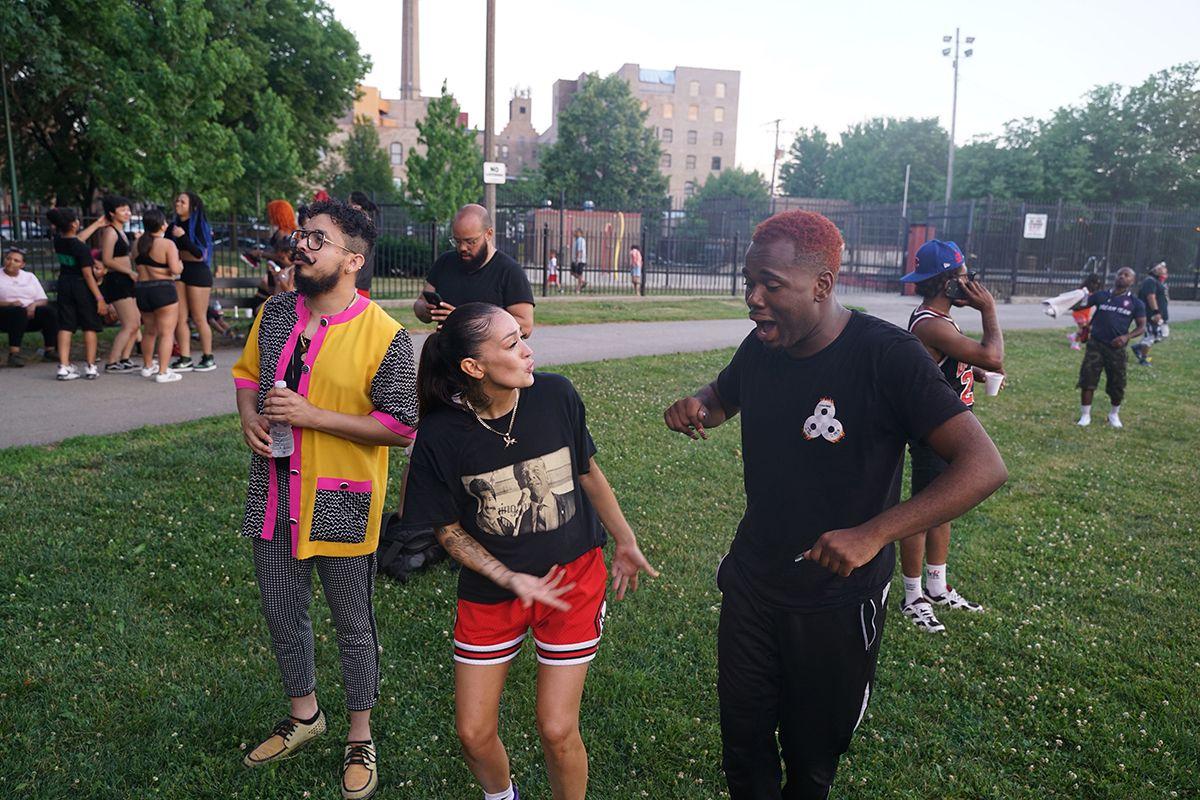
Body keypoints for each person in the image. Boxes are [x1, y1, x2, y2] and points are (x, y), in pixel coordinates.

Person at [663, 210, 1007, 800]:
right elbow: (722, 398)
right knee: (743, 750)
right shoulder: (764, 345)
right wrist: (695, 405)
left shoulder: (887, 356)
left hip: (837, 602)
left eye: (772, 285)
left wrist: (874, 532)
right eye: (749, 282)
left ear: (822, 286)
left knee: (811, 759)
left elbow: (984, 466)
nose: (753, 299)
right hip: (752, 583)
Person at [402, 302, 657, 800]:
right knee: (473, 734)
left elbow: (587, 473)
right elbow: (447, 530)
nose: (528, 351)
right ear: (474, 368)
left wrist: (625, 541)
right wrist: (508, 577)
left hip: (573, 581)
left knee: (557, 729)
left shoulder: (555, 395)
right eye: (512, 343)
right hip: (491, 592)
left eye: (523, 337)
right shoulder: (440, 434)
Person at [233, 199, 417, 800]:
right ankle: (305, 715)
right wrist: (247, 419)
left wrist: (314, 416)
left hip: (341, 499)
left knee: (351, 625)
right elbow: (245, 374)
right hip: (273, 494)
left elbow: (400, 427)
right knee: (283, 610)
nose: (302, 245)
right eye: (302, 235)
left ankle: (359, 735)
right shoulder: (278, 311)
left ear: (353, 260)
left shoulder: (386, 336)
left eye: (317, 238)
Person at [895, 240, 1005, 633]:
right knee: (921, 513)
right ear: (947, 284)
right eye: (963, 277)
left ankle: (937, 588)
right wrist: (989, 309)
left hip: (951, 426)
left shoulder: (938, 321)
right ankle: (912, 597)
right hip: (935, 432)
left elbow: (938, 365)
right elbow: (994, 355)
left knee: (944, 508)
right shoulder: (930, 322)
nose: (970, 283)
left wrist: (969, 373)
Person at [414, 204, 535, 338]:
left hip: (489, 357)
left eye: (470, 241)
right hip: (446, 353)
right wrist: (426, 310)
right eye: (457, 241)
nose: (463, 248)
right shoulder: (445, 263)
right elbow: (420, 303)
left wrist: (466, 322)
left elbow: (525, 326)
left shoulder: (510, 271)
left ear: (488, 234)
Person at [1075, 267, 1146, 428]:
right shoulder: (1101, 296)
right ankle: (1085, 415)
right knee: (1088, 379)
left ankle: (1114, 414)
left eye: (1126, 275)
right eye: (1120, 273)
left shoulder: (1135, 303)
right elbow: (1079, 306)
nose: (1122, 276)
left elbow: (1142, 327)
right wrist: (1079, 295)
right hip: (1096, 345)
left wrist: (1126, 337)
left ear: (1132, 281)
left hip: (1116, 348)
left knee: (1117, 383)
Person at [47, 207, 107, 380]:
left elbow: (77, 238)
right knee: (89, 326)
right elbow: (88, 274)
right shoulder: (82, 249)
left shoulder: (58, 240)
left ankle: (64, 366)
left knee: (66, 325)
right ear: (74, 224)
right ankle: (90, 366)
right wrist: (99, 298)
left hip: (64, 284)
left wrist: (96, 224)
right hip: (81, 287)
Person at [133, 208, 185, 382]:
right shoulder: (167, 244)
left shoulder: (137, 244)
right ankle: (163, 372)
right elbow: (175, 270)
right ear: (162, 225)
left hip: (142, 290)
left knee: (149, 331)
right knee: (166, 333)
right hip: (163, 291)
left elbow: (138, 268)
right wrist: (179, 265)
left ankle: (147, 366)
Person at [169, 191, 217, 372]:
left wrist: (182, 236)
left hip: (198, 272)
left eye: (182, 201)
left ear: (192, 206)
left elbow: (199, 253)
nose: (178, 203)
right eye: (177, 200)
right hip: (180, 271)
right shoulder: (174, 225)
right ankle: (185, 357)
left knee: (198, 317)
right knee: (180, 318)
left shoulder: (199, 225)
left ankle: (208, 356)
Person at [97, 195, 141, 374]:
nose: (127, 213)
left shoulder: (121, 231)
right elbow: (107, 259)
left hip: (126, 280)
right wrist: (129, 271)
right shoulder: (110, 231)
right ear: (112, 213)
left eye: (128, 209)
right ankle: (112, 361)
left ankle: (125, 358)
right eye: (122, 209)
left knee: (136, 322)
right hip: (117, 281)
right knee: (129, 324)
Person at [0, 246, 59, 367]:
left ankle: (49, 350)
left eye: (16, 260)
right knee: (18, 312)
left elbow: (42, 298)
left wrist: (34, 305)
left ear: (22, 264)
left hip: (29, 314)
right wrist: (10, 303)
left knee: (48, 312)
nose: (11, 262)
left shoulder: (29, 277)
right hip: (5, 314)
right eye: (8, 259)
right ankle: (14, 354)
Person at [1132, 262, 1168, 366]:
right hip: (1151, 315)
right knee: (1151, 336)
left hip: (1159, 315)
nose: (1164, 269)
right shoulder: (1150, 281)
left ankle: (1139, 347)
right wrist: (1156, 312)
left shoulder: (1158, 282)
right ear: (1155, 270)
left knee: (1164, 333)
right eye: (1161, 267)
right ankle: (1143, 359)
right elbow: (1150, 296)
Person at [347, 191, 378, 298]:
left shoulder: (360, 223)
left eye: (349, 203)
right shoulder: (367, 221)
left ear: (357, 206)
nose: (348, 207)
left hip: (357, 279)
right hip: (362, 279)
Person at [1067, 274, 1104, 350]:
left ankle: (1073, 336)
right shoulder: (1084, 291)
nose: (1096, 286)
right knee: (1083, 330)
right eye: (1095, 283)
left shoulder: (1093, 293)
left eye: (1097, 284)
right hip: (1079, 313)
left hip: (1086, 314)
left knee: (1088, 328)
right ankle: (1075, 343)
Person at [569, 228, 587, 292]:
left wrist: (577, 259)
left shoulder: (580, 240)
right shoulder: (576, 240)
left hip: (580, 260)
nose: (575, 233)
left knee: (579, 274)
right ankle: (583, 281)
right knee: (572, 272)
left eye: (576, 232)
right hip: (575, 259)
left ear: (580, 233)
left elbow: (579, 250)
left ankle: (578, 288)